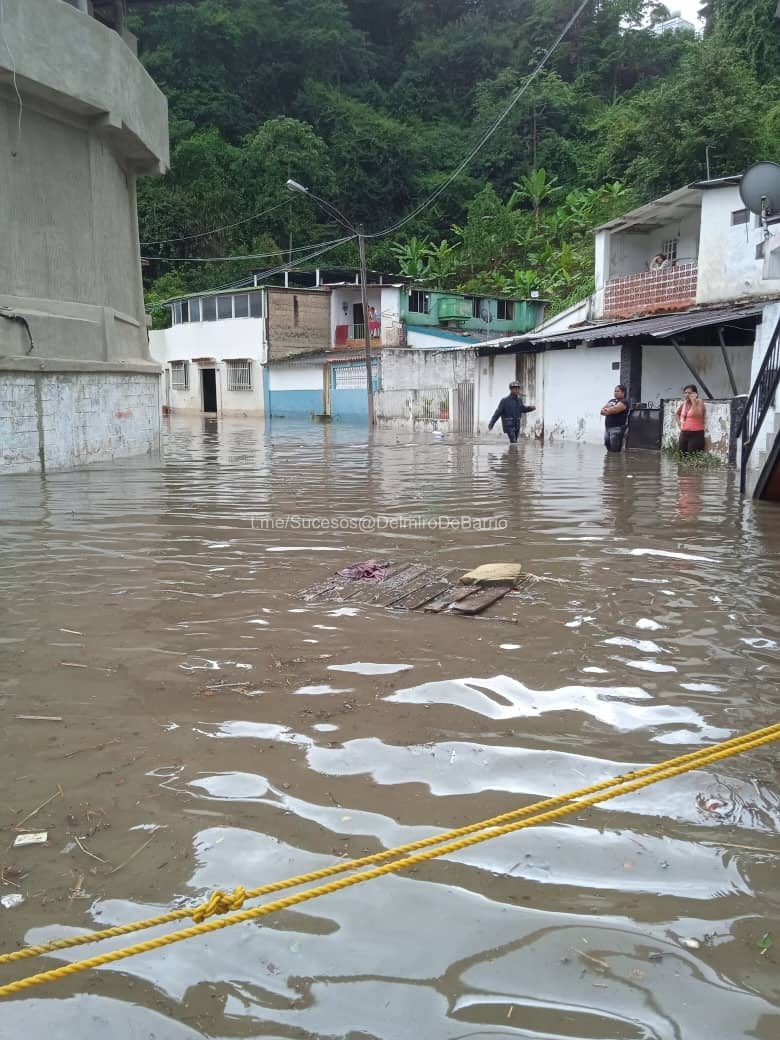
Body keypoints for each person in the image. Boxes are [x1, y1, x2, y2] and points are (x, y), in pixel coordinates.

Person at [676, 384, 706, 453]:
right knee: (682, 455)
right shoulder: (684, 403)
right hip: (684, 433)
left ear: (695, 394)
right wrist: (679, 423)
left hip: (696, 434)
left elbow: (698, 414)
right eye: (685, 393)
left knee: (692, 456)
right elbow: (677, 414)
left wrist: (693, 401)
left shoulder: (699, 402)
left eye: (689, 393)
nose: (687, 395)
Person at [600, 384, 630, 452]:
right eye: (614, 391)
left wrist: (608, 409)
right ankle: (610, 461)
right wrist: (608, 410)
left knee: (615, 449)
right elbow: (601, 411)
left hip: (617, 429)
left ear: (623, 392)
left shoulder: (624, 402)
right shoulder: (612, 401)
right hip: (607, 428)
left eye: (617, 391)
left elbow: (615, 410)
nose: (615, 393)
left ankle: (616, 462)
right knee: (607, 445)